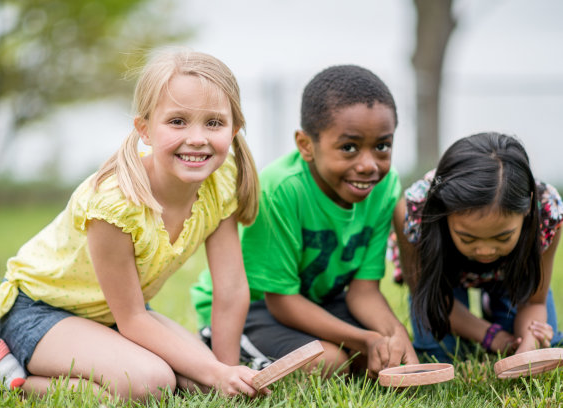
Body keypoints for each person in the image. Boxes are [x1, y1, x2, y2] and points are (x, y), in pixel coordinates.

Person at [0, 49, 265, 401]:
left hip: (113, 313)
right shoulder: (116, 203)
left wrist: (226, 373)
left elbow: (230, 289)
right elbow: (134, 319)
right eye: (177, 121)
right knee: (150, 384)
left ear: (234, 128)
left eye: (214, 123)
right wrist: (218, 372)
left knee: (198, 384)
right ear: (145, 129)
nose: (198, 138)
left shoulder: (221, 181)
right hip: (42, 311)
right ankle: (5, 374)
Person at [191, 64, 418, 378]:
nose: (368, 165)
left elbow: (363, 291)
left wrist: (395, 335)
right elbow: (281, 301)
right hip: (254, 309)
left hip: (321, 302)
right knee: (329, 363)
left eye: (382, 146)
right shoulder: (280, 189)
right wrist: (365, 339)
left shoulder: (385, 188)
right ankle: (207, 343)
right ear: (306, 145)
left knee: (383, 358)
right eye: (349, 147)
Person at [392, 132, 563, 363]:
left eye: (502, 238)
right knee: (440, 354)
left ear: (528, 208)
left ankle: (496, 301)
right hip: (442, 280)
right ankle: (488, 315)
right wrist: (492, 336)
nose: (485, 251)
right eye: (468, 238)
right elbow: (428, 296)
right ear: (444, 214)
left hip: (511, 277)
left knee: (546, 347)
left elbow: (534, 300)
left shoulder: (546, 211)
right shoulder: (416, 213)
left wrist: (529, 343)